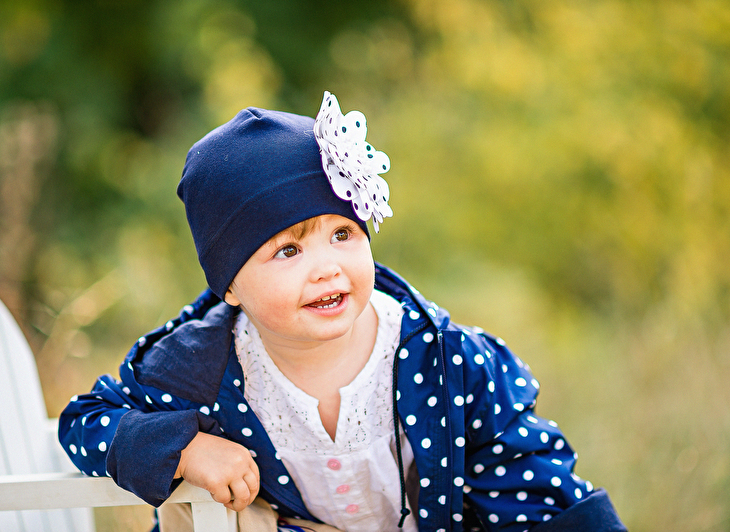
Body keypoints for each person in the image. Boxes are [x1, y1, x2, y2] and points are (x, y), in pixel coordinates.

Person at [59, 91, 626, 532]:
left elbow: (530, 480)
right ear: (230, 286)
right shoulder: (200, 364)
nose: (326, 268)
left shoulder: (445, 359)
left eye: (342, 234)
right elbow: (86, 421)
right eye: (288, 251)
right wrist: (186, 449)